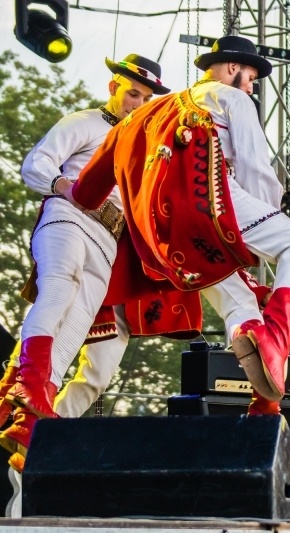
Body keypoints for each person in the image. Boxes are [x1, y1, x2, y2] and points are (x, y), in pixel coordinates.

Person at [66, 36, 290, 407]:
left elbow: (85, 192)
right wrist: (264, 223)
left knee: (239, 305)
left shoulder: (138, 117)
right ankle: (278, 338)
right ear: (233, 68)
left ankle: (256, 358)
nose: (251, 88)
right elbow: (254, 169)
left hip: (161, 238)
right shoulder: (232, 97)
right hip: (211, 202)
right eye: (251, 78)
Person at [0, 54, 171, 460]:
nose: (138, 103)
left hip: (108, 239)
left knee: (76, 326)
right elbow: (37, 163)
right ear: (113, 87)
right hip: (69, 216)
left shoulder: (144, 145)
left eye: (145, 98)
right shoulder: (85, 122)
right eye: (132, 93)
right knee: (59, 289)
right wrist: (66, 187)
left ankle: (28, 419)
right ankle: (28, 387)